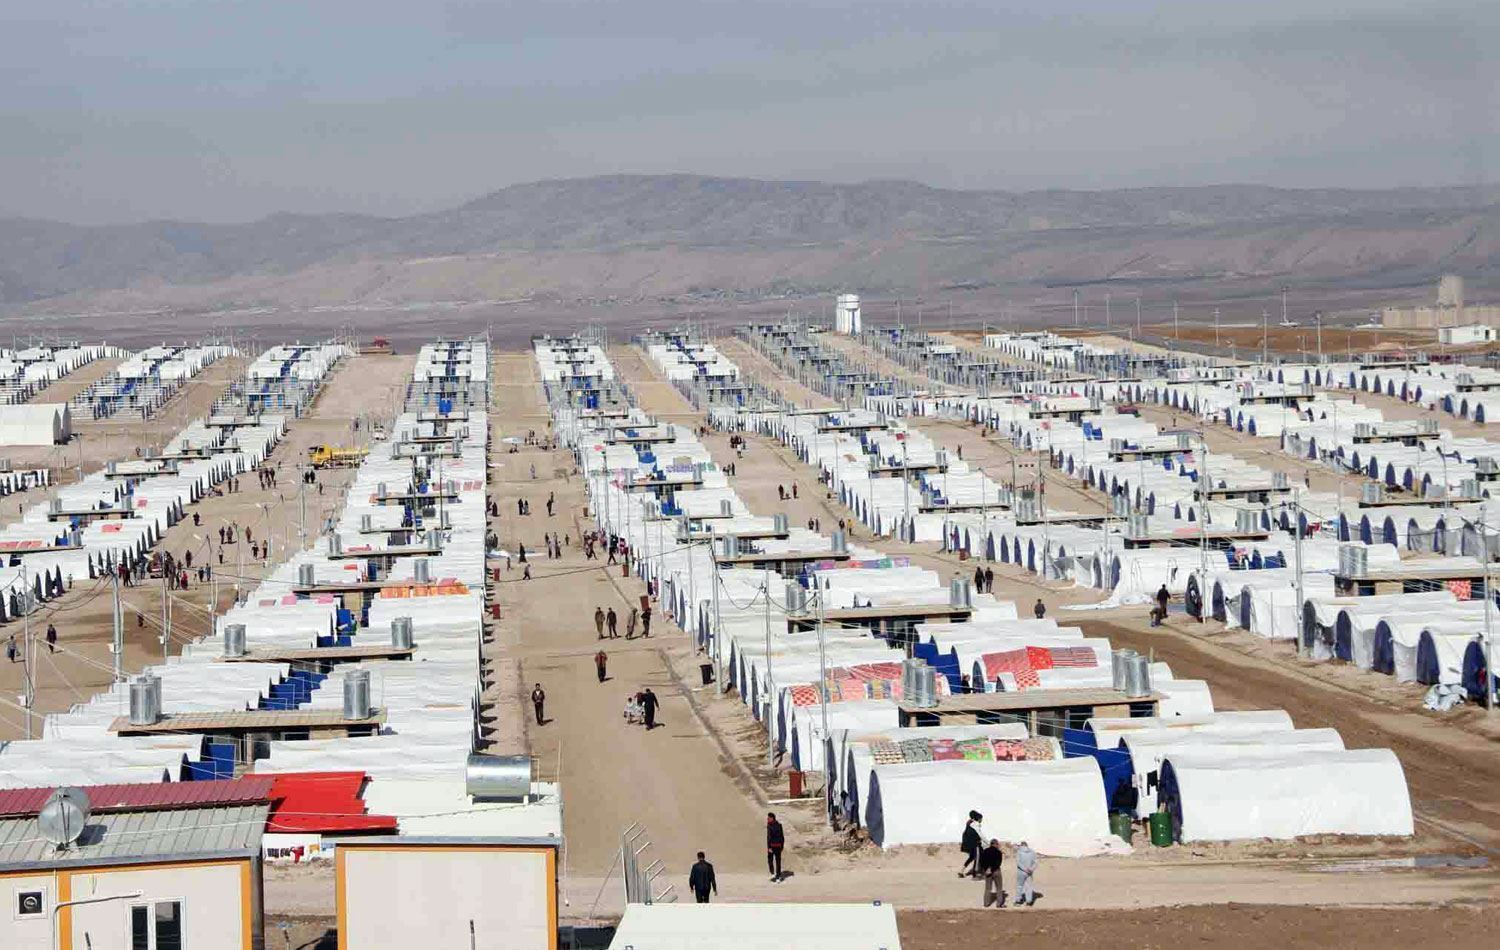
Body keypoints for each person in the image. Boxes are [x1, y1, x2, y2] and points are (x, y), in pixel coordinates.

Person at [980, 839, 1006, 908]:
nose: (998, 845)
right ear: (995, 844)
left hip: (987, 872)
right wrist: (991, 869)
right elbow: (998, 863)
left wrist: (986, 869)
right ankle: (999, 904)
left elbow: (982, 862)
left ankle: (986, 903)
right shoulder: (998, 852)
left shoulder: (985, 851)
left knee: (988, 888)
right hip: (996, 871)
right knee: (999, 888)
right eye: (997, 844)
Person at [960, 810, 984, 878]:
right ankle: (975, 873)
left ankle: (962, 871)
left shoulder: (969, 823)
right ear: (978, 818)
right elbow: (981, 836)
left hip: (968, 844)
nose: (981, 820)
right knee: (977, 857)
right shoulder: (975, 824)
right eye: (981, 819)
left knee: (972, 857)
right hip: (974, 844)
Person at [1014, 841, 1039, 906]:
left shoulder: (1019, 852)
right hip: (1029, 872)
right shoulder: (1032, 852)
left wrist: (1025, 869)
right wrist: (1031, 869)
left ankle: (1018, 901)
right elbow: (1036, 862)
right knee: (1029, 886)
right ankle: (1029, 901)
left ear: (1021, 845)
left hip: (1021, 872)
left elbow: (1018, 862)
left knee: (1019, 886)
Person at [766, 812, 786, 882]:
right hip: (778, 846)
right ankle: (777, 875)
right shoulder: (779, 825)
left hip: (773, 846)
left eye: (768, 818)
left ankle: (774, 874)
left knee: (771, 860)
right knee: (777, 861)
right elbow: (782, 837)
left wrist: (769, 847)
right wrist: (782, 846)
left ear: (772, 818)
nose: (767, 819)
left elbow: (769, 838)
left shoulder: (770, 826)